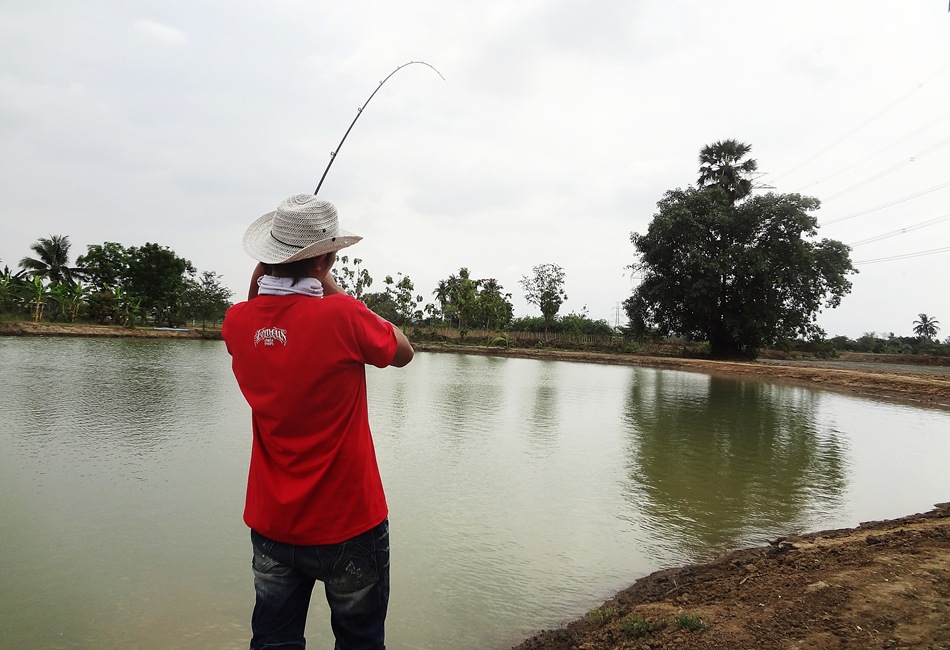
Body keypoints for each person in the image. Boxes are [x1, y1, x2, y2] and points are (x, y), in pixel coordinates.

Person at [222, 193, 414, 650]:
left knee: (272, 641)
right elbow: (404, 352)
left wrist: (268, 271)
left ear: (267, 258)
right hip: (348, 522)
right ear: (326, 259)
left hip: (272, 525)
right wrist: (332, 286)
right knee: (359, 642)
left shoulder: (237, 323)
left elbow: (255, 307)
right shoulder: (344, 316)